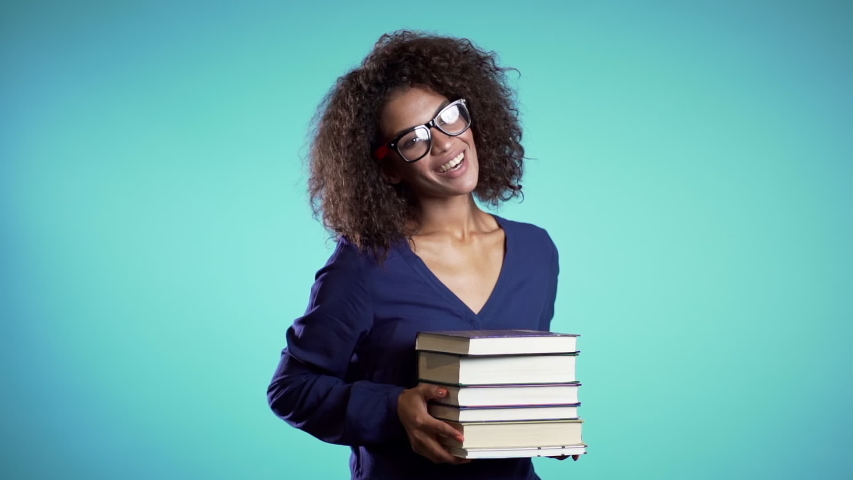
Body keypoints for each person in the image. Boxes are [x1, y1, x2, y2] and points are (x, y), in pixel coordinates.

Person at [267, 30, 574, 479]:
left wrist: (546, 421)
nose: (445, 144)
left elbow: (519, 381)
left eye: (449, 117)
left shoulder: (536, 250)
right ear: (389, 168)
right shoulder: (364, 264)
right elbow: (291, 389)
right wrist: (395, 409)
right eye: (414, 139)